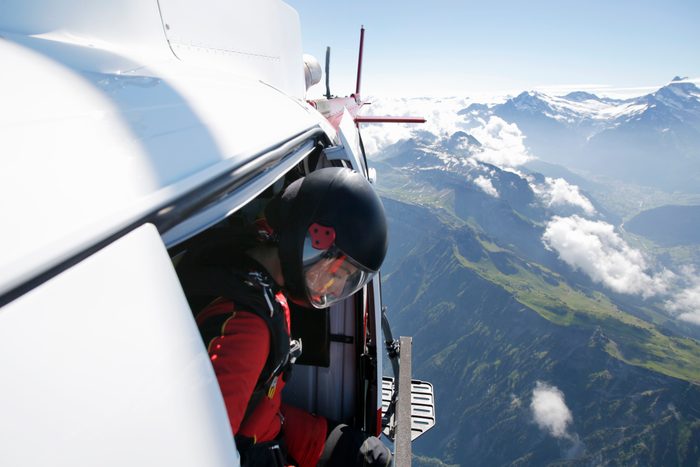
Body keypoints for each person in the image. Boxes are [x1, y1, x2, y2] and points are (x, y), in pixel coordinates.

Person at [179, 167, 392, 466]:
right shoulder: (249, 330)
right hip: (255, 452)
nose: (339, 287)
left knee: (369, 457)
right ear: (312, 242)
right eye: (339, 272)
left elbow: (259, 405)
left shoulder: (247, 269)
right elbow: (203, 454)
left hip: (270, 431)